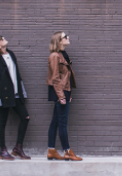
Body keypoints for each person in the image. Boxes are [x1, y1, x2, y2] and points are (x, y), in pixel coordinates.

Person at [0, 36, 31, 161]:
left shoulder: (11, 54)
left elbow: (17, 74)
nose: (3, 38)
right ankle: (2, 150)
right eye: (0, 39)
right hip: (4, 96)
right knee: (2, 122)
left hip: (16, 94)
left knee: (25, 117)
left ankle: (18, 147)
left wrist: (22, 91)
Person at [46, 31, 82, 161]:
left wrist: (68, 93)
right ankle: (67, 151)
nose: (68, 37)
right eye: (65, 37)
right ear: (59, 41)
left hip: (63, 91)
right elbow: (55, 78)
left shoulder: (62, 54)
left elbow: (66, 77)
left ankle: (51, 150)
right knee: (62, 123)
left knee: (55, 122)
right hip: (59, 92)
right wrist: (62, 95)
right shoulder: (55, 56)